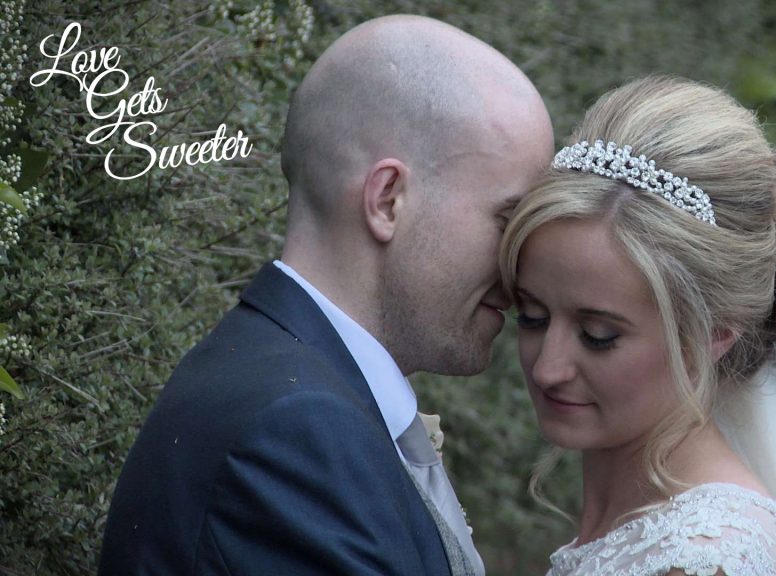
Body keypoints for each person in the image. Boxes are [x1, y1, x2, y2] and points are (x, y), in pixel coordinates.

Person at [99, 15, 553, 576]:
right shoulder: (296, 430)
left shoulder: (289, 390)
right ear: (387, 200)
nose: (519, 267)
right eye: (507, 220)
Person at [498, 76, 776, 575]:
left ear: (715, 332)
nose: (547, 369)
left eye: (599, 336)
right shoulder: (640, 527)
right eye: (531, 317)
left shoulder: (706, 558)